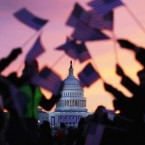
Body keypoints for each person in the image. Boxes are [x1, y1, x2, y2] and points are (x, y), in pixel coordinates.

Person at [2, 60, 63, 145]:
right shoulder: (17, 82)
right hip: (17, 126)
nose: (33, 70)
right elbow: (7, 104)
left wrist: (58, 93)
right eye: (30, 67)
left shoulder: (37, 88)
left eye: (35, 68)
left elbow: (47, 105)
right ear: (25, 69)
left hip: (32, 128)